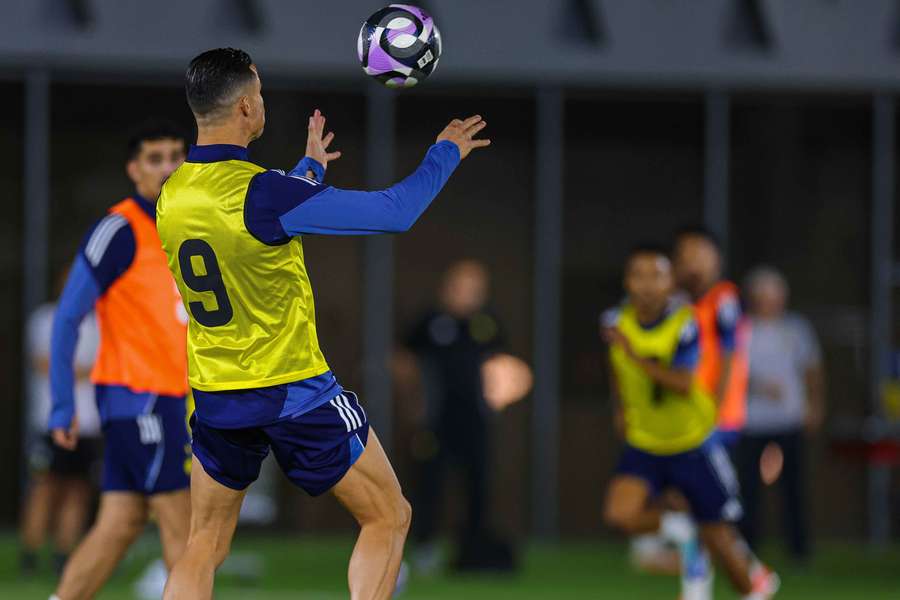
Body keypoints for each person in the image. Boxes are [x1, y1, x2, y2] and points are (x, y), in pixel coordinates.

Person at [155, 47, 490, 600]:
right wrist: (444, 153)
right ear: (245, 107)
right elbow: (394, 212)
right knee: (389, 516)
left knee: (204, 541)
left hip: (217, 392)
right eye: (259, 94)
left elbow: (248, 226)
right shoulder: (266, 193)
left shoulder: (173, 194)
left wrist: (307, 173)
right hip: (293, 390)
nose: (262, 103)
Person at [47, 121, 191, 600]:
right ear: (133, 169)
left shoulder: (185, 226)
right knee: (184, 528)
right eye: (155, 158)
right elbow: (67, 317)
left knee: (121, 522)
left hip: (169, 398)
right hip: (140, 398)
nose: (168, 167)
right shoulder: (120, 229)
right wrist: (62, 406)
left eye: (176, 156)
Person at [601, 244, 778, 600]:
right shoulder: (615, 323)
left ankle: (752, 590)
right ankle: (683, 529)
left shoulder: (685, 322)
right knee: (620, 515)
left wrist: (634, 354)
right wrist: (620, 410)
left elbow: (682, 383)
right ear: (627, 281)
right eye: (639, 275)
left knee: (722, 541)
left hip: (691, 441)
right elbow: (617, 371)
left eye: (657, 275)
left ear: (671, 282)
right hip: (646, 441)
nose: (647, 284)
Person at [405, 260, 525, 573]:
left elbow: (507, 367)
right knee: (430, 483)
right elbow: (404, 360)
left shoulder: (488, 324)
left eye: (474, 289)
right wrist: (414, 399)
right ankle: (425, 546)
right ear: (447, 288)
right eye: (461, 287)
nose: (466, 295)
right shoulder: (430, 322)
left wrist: (501, 395)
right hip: (436, 420)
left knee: (478, 484)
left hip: (476, 421)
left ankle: (473, 548)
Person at [738, 266, 824, 562]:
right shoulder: (741, 329)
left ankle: (799, 550)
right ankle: (746, 546)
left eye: (774, 295)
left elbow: (812, 370)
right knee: (747, 487)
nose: (769, 301)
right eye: (763, 295)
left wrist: (814, 405)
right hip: (750, 422)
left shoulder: (797, 329)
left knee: (794, 488)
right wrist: (757, 386)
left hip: (789, 420)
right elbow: (728, 371)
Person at [20, 270, 101, 576]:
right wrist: (82, 370)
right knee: (45, 487)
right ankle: (30, 554)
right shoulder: (45, 319)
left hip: (88, 423)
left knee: (78, 489)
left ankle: (63, 554)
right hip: (50, 420)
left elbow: (98, 367)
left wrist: (69, 368)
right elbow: (44, 363)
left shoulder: (97, 324)